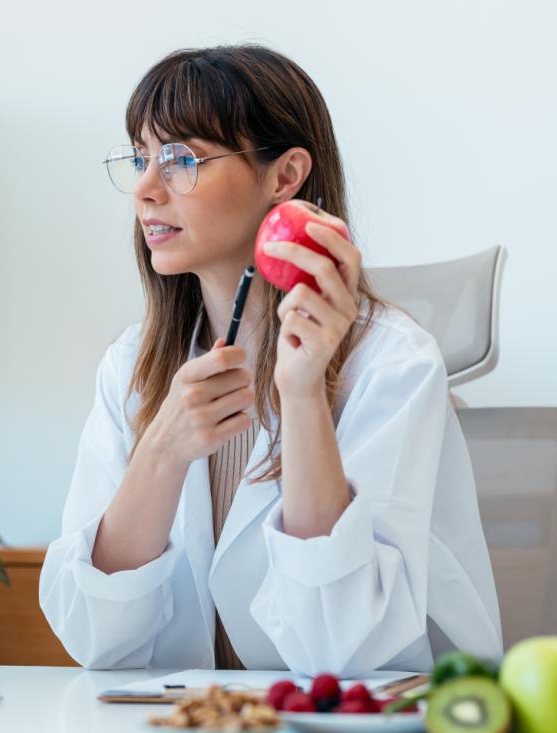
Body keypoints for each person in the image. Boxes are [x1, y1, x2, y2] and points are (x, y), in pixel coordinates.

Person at [39, 44, 502, 674]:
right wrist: (163, 450)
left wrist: (305, 395)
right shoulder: (131, 364)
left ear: (284, 177)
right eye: (141, 158)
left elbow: (347, 649)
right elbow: (93, 639)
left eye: (180, 159)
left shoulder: (393, 362)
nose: (146, 190)